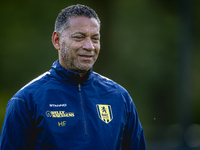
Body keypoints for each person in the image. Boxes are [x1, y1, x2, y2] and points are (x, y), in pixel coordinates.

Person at [0, 4, 146, 150]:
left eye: (95, 38)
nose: (90, 46)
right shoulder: (25, 100)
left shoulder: (120, 97)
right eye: (79, 37)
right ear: (57, 40)